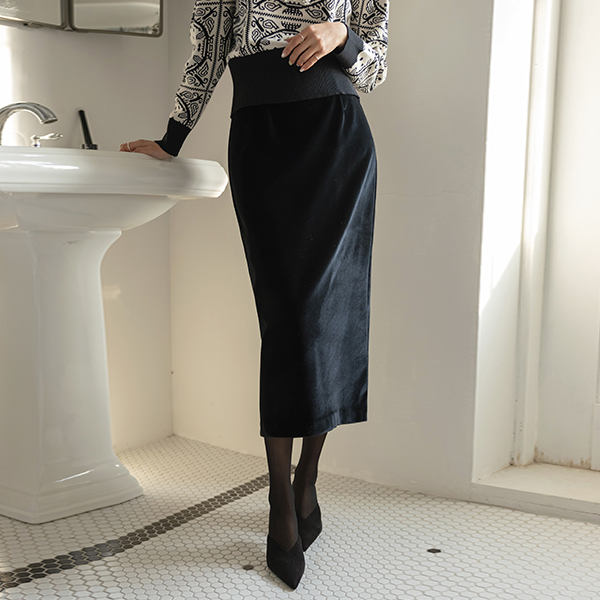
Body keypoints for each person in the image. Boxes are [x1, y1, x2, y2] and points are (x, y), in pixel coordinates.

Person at [120, 0, 389, 589]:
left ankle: (305, 481)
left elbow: (375, 67)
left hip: (337, 140)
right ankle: (279, 499)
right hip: (261, 141)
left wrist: (341, 35)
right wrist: (172, 137)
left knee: (326, 321)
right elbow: (209, 45)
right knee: (288, 321)